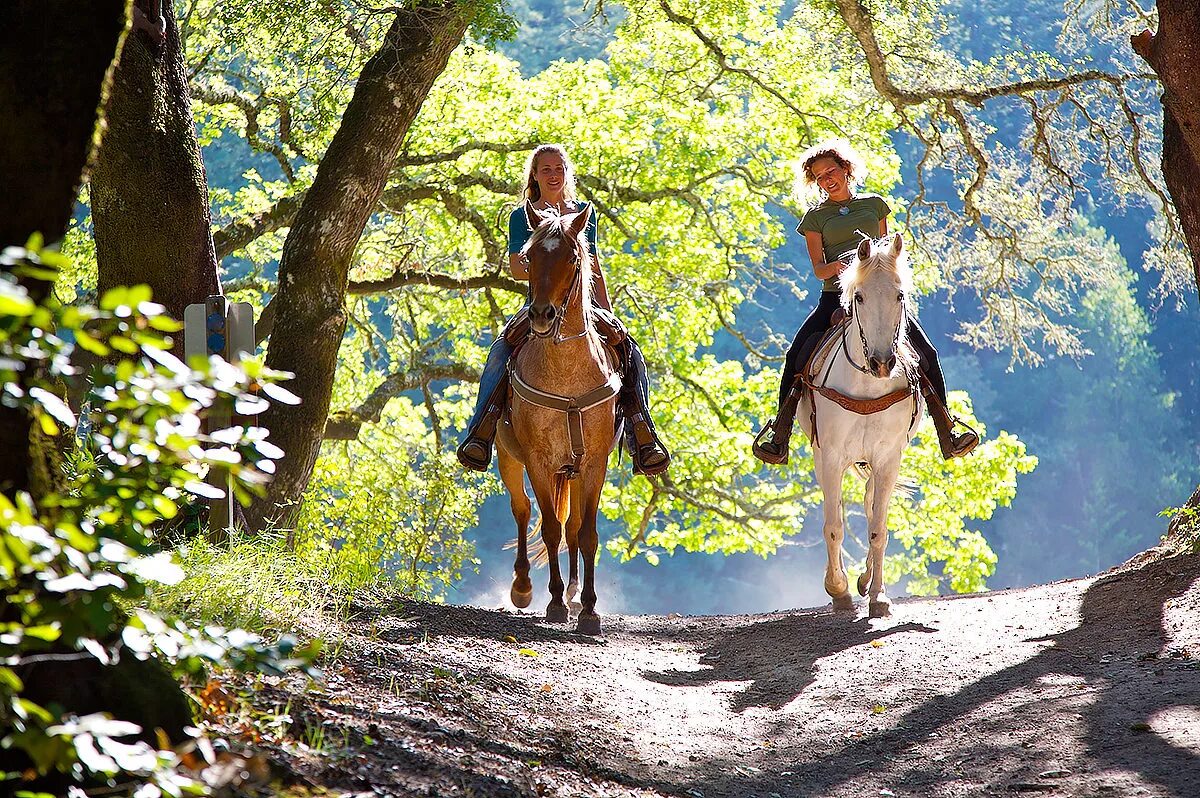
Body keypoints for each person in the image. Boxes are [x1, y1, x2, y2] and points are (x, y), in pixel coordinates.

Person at [752, 138, 979, 464]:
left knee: (927, 352)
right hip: (836, 299)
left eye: (831, 170)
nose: (827, 179)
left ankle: (947, 428)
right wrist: (847, 265)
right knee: (796, 354)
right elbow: (819, 270)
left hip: (877, 297)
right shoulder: (815, 218)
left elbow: (885, 254)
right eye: (819, 176)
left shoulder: (874, 205)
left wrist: (879, 270)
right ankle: (781, 432)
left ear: (846, 169)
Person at [456, 144, 670, 476]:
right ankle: (480, 432)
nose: (553, 175)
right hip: (539, 304)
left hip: (583, 305)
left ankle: (642, 433)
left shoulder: (583, 212)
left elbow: (593, 264)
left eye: (559, 169)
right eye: (546, 169)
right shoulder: (521, 216)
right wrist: (550, 265)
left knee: (630, 350)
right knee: (500, 351)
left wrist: (608, 310)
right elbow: (516, 268)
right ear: (535, 175)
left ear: (567, 173)